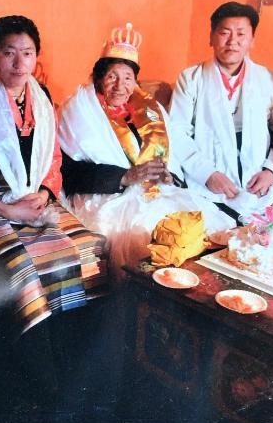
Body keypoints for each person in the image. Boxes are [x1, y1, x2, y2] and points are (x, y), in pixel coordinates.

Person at [0, 15, 108, 338]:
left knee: (90, 248)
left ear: (36, 57)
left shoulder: (42, 98)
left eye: (28, 53)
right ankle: (36, 354)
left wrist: (45, 193)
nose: (19, 64)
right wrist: (7, 209)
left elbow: (54, 159)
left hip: (35, 196)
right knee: (25, 265)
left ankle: (74, 346)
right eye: (9, 53)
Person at [58, 23, 233, 273]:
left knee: (202, 226)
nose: (120, 86)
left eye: (128, 78)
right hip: (107, 195)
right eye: (112, 77)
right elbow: (70, 175)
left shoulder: (149, 109)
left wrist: (168, 175)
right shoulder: (79, 110)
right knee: (150, 235)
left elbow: (172, 155)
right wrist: (125, 176)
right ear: (98, 79)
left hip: (154, 192)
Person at [169, 1, 273, 219]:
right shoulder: (191, 78)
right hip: (207, 173)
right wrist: (207, 174)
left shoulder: (268, 79)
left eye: (241, 34)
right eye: (224, 33)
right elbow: (177, 133)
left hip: (257, 178)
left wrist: (271, 171)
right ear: (211, 37)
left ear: (252, 40)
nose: (232, 41)